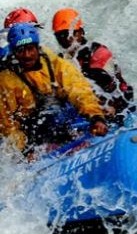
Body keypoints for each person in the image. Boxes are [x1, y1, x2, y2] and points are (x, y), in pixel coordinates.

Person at [0, 22, 108, 156]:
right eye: (21, 50)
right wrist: (25, 150)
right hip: (34, 128)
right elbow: (8, 125)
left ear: (37, 47)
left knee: (78, 109)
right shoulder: (6, 80)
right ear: (13, 51)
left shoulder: (54, 62)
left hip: (62, 114)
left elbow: (79, 89)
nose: (27, 55)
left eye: (30, 48)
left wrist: (96, 117)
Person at [52, 8, 135, 126]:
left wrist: (111, 109)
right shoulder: (60, 61)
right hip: (86, 108)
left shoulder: (99, 54)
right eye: (60, 35)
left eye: (71, 33)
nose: (66, 39)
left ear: (81, 32)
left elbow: (115, 91)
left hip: (118, 107)